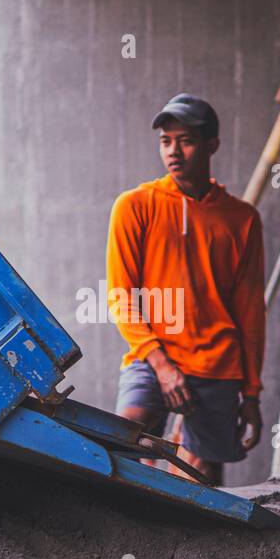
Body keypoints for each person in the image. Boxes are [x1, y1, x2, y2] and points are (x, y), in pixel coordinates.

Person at [107, 94, 265, 485]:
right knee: (124, 445)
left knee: (202, 481)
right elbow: (121, 297)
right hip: (152, 355)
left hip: (217, 364)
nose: (173, 151)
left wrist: (252, 394)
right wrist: (162, 367)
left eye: (186, 140)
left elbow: (250, 312)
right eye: (165, 140)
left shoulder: (242, 219)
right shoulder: (135, 206)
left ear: (212, 145)